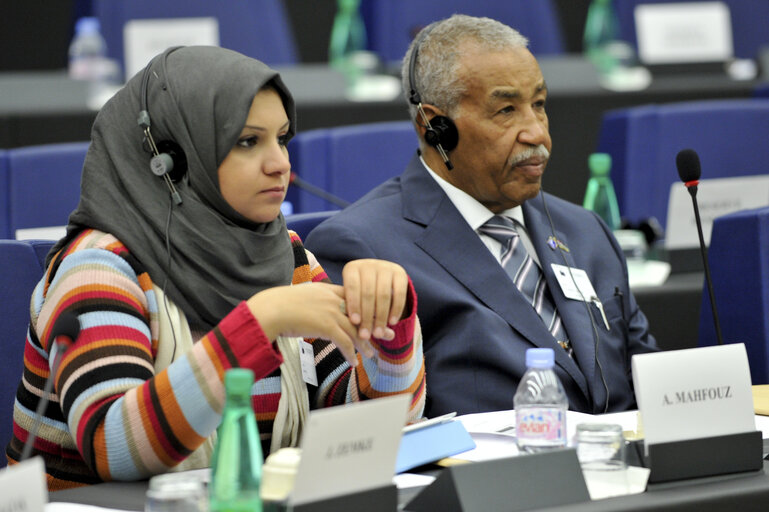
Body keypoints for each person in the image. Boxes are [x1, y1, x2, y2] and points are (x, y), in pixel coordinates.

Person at [5, 46, 425, 490]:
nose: (280, 163)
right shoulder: (98, 267)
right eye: (248, 141)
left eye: (282, 138)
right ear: (173, 158)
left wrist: (388, 332)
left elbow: (366, 428)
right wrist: (259, 322)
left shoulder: (286, 256)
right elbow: (115, 449)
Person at [305, 14, 657, 418]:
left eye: (539, 105)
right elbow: (367, 427)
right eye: (506, 110)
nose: (537, 133)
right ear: (435, 127)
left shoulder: (585, 231)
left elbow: (650, 381)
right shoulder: (363, 247)